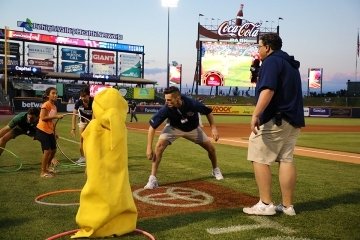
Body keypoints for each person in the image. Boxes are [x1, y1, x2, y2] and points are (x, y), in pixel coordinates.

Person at [242, 33, 305, 216]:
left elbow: (268, 89)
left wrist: (256, 114)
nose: (258, 50)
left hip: (276, 118)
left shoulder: (271, 61)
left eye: (259, 47)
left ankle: (266, 204)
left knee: (259, 157)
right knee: (286, 159)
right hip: (292, 120)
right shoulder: (290, 63)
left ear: (268, 47)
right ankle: (287, 206)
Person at [73, 88, 137, 238]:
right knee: (118, 192)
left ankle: (96, 223)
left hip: (98, 174)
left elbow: (87, 149)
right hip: (118, 173)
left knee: (98, 192)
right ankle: (123, 222)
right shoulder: (120, 127)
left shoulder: (94, 127)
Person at [144, 86, 223, 189]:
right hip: (174, 128)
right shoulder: (166, 108)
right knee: (159, 146)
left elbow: (208, 112)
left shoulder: (192, 103)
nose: (166, 101)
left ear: (178, 98)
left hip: (193, 129)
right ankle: (152, 179)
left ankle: (215, 170)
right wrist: (149, 148)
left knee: (211, 149)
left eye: (169, 99)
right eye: (165, 99)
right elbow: (152, 127)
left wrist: (213, 128)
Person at [35, 87, 63, 178]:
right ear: (48, 95)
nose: (55, 95)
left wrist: (55, 132)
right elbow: (43, 118)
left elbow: (52, 122)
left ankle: (47, 168)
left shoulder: (54, 106)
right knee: (47, 151)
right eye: (53, 93)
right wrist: (56, 116)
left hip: (50, 131)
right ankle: (43, 172)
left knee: (53, 150)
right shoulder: (46, 105)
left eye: (56, 93)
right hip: (42, 130)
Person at [71, 86, 93, 164]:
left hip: (92, 122)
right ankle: (82, 157)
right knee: (82, 140)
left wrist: (92, 124)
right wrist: (73, 128)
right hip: (82, 122)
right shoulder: (79, 102)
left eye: (84, 96)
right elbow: (74, 115)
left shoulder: (93, 101)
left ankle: (92, 156)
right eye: (81, 96)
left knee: (92, 140)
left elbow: (96, 114)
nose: (83, 98)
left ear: (88, 95)